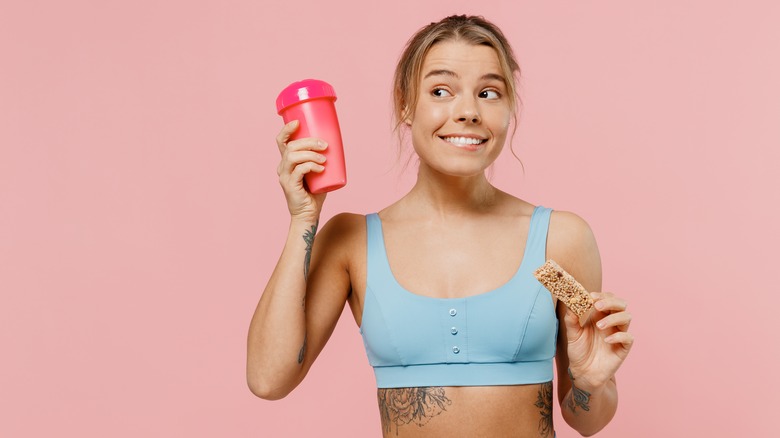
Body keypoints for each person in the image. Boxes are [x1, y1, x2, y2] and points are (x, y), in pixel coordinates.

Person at [247, 15, 633, 437]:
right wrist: (303, 218)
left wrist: (590, 384)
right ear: (405, 104)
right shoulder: (352, 242)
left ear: (508, 109)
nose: (467, 111)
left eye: (489, 93)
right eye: (440, 91)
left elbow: (586, 419)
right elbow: (269, 380)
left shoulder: (557, 242)